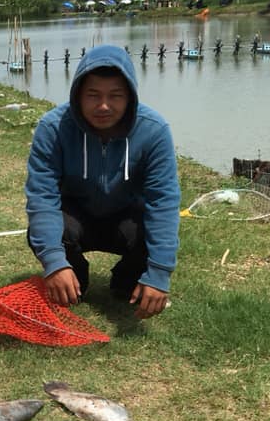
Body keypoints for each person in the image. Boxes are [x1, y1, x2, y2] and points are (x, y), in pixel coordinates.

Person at [25, 44, 180, 320]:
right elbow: (41, 197)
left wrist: (159, 273)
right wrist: (54, 262)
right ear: (77, 95)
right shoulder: (52, 128)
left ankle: (126, 282)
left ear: (130, 97)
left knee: (150, 229)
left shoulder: (155, 131)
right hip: (75, 216)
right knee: (49, 229)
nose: (104, 106)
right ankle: (74, 279)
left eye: (116, 96)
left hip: (127, 218)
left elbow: (163, 202)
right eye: (93, 95)